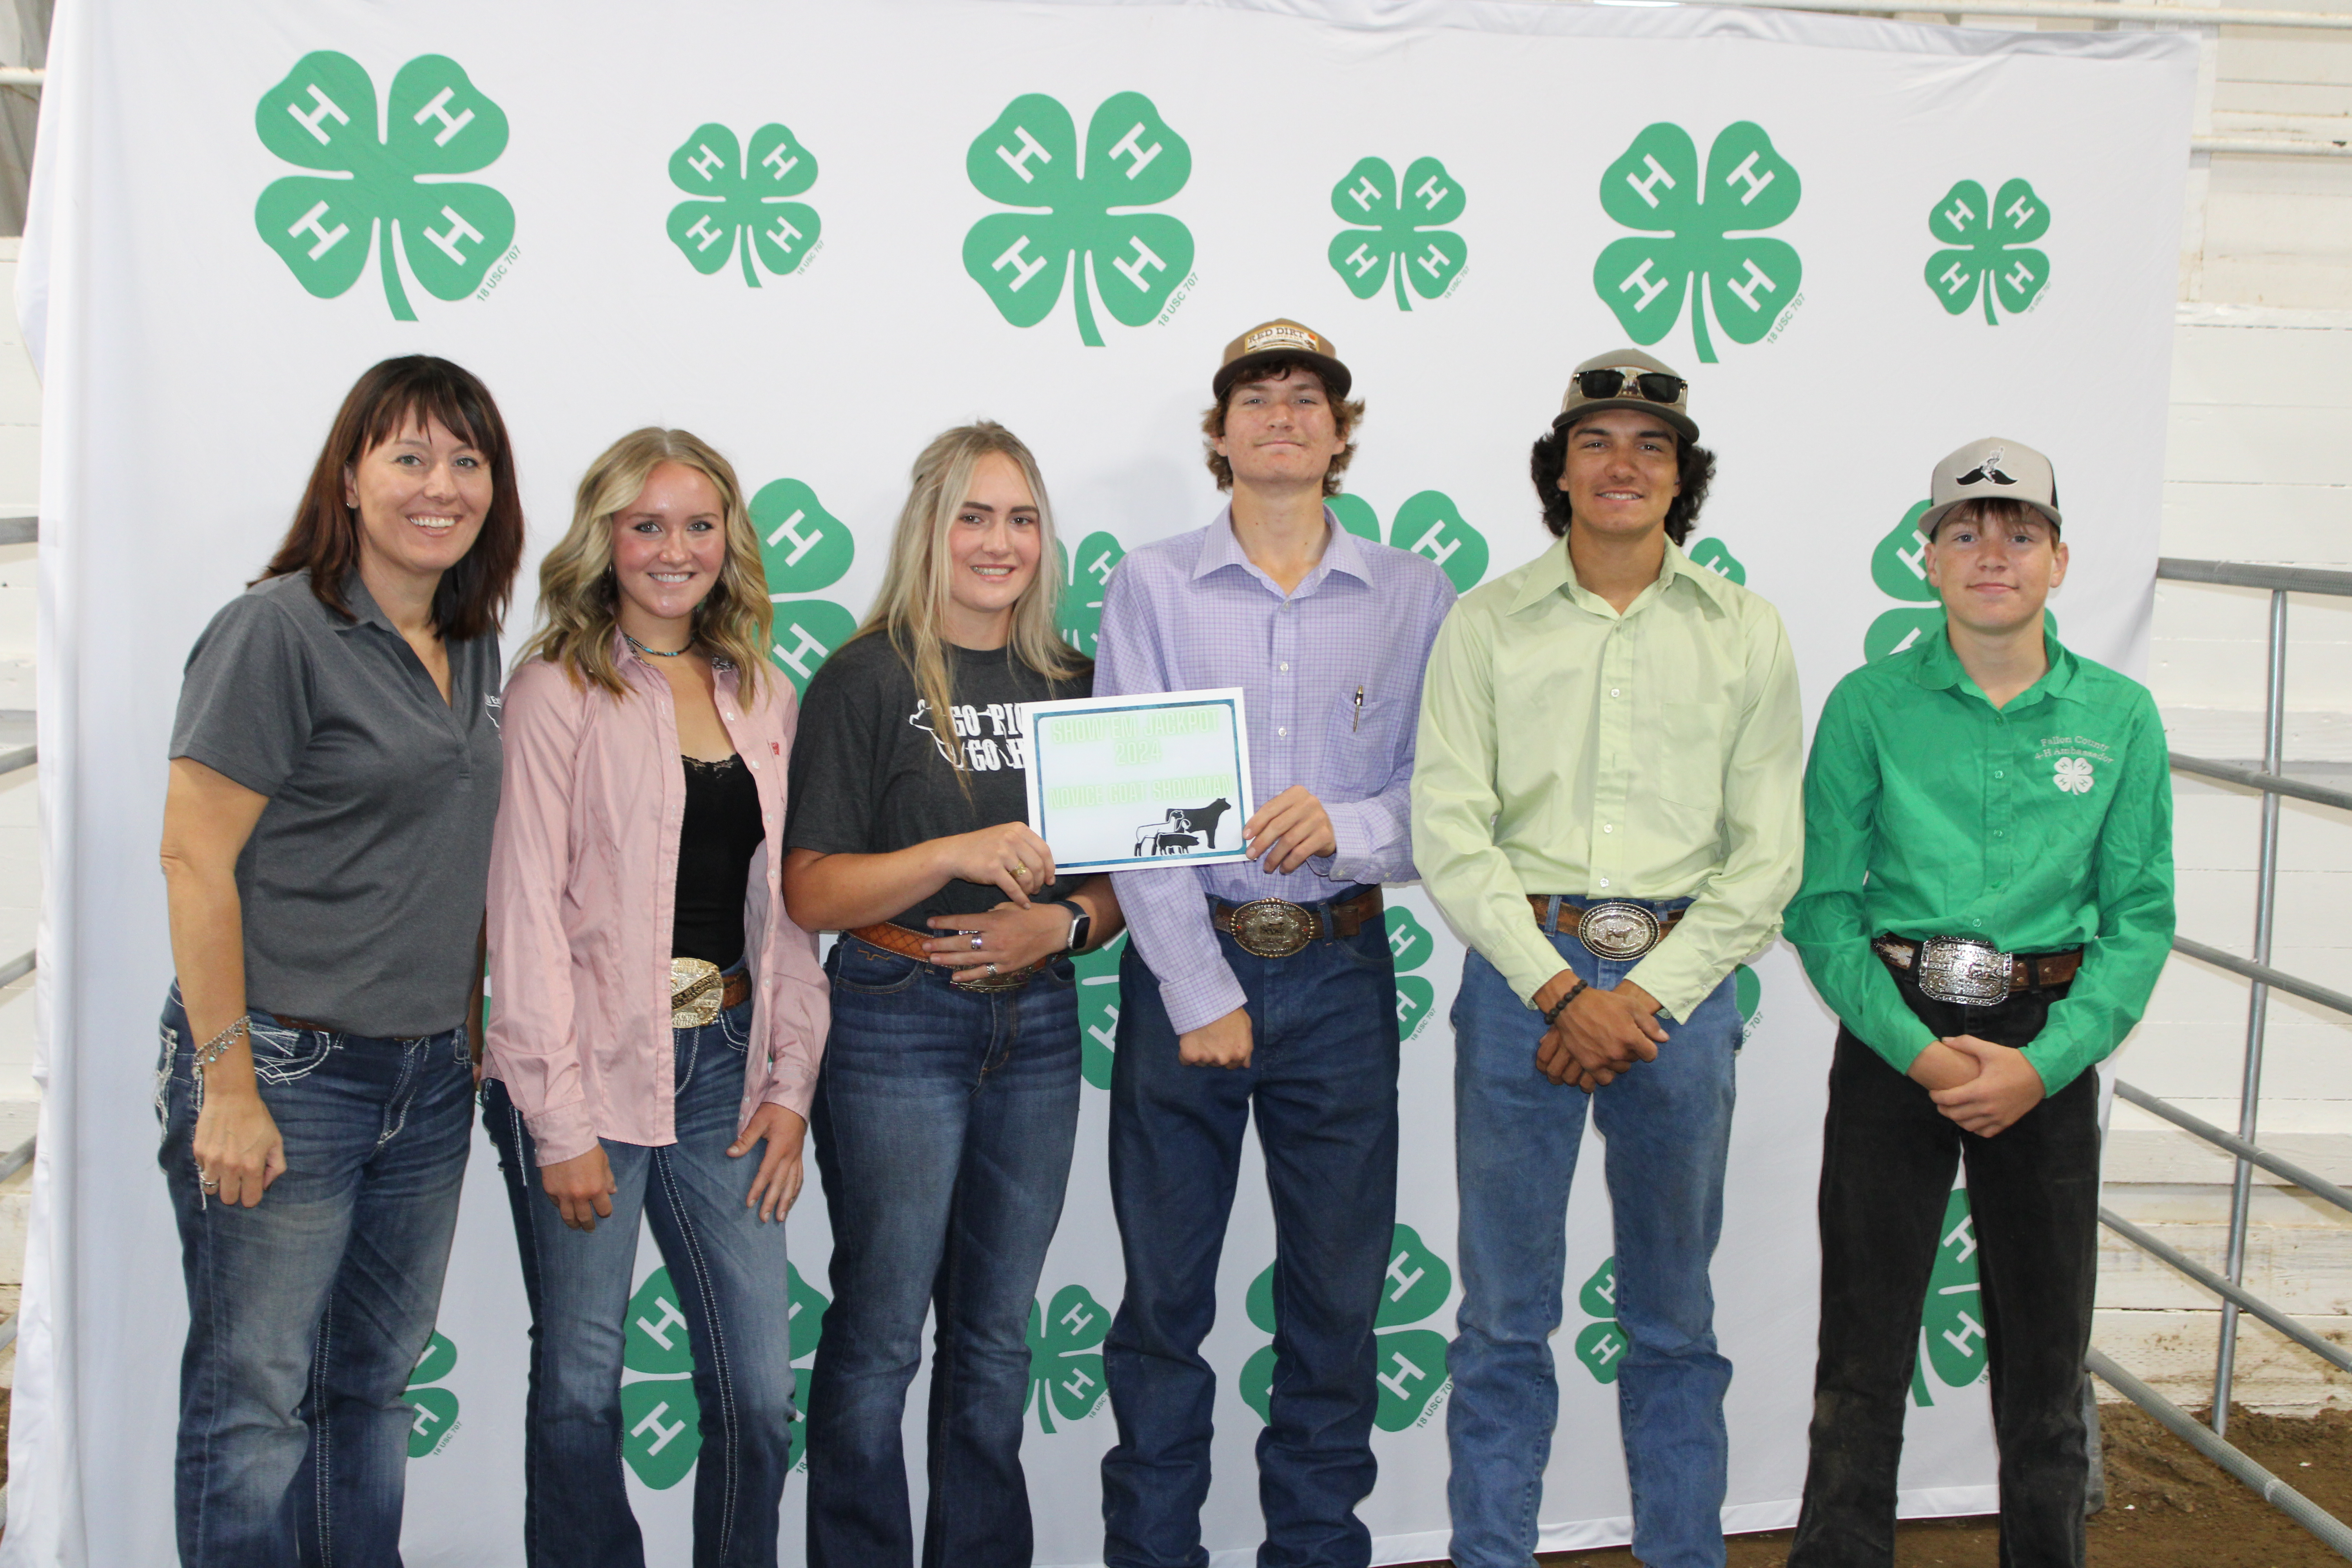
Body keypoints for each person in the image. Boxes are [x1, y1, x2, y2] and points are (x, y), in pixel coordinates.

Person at [1412, 349, 1803, 1568]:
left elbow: (1769, 854)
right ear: (1559, 470)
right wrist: (1560, 988)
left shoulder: (1746, 631)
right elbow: (1449, 825)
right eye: (1597, 442)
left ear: (1683, 478)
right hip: (1519, 980)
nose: (1623, 464)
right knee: (1504, 1322)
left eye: (1652, 446)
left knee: (1675, 1319)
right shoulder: (1486, 622)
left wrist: (1644, 996)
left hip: (1680, 986)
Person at [1093, 319, 1456, 1568]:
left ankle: (1316, 1554)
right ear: (1221, 433)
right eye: (1258, 398)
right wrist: (1198, 986)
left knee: (1337, 1305)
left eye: (1309, 398)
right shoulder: (1148, 586)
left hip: (1344, 976)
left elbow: (1445, 807)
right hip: (1184, 975)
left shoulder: (1414, 593)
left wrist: (1348, 824)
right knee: (1162, 1309)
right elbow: (1130, 817)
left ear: (1341, 432)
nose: (1284, 416)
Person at [154, 355, 524, 1566]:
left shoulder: (471, 641)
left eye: (467, 460)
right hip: (284, 1072)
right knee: (254, 1403)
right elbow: (193, 863)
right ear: (351, 478)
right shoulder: (278, 632)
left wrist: (463, 1035)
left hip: (422, 1083)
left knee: (369, 1389)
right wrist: (227, 1084)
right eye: (409, 456)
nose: (441, 484)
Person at [1783, 439, 2174, 1568]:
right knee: (1862, 1349)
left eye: (2019, 532)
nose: (1991, 552)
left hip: (2045, 1045)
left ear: (2060, 560)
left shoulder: (2121, 717)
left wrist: (2042, 1066)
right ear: (1927, 558)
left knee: (2047, 1357)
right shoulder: (1869, 706)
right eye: (1965, 531)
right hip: (1896, 1042)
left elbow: (2139, 916)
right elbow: (1823, 908)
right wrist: (1922, 1056)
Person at [482, 428, 827, 1566]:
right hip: (581, 1068)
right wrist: (559, 1122)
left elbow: (788, 909)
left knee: (759, 1392)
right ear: (607, 539)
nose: (673, 549)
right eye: (647, 524)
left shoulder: (763, 692)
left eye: (697, 524)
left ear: (729, 542)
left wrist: (790, 1084)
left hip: (728, 1062)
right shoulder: (554, 690)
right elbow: (523, 908)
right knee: (580, 1386)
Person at [783, 421, 1122, 1568]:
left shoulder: (1076, 680)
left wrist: (1063, 923)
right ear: (930, 529)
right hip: (894, 1016)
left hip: (1035, 1027)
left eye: (1021, 517)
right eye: (974, 515)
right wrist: (953, 854)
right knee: (881, 1332)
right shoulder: (865, 676)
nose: (1000, 540)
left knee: (992, 1339)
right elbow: (811, 889)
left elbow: (1133, 872)